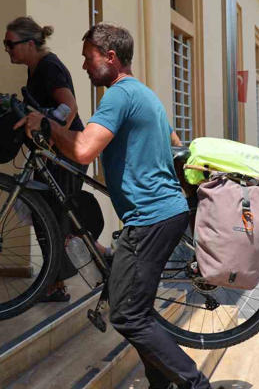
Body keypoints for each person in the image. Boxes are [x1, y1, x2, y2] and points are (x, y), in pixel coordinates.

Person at [15, 23, 211, 389]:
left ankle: (195, 384)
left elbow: (83, 149)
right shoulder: (146, 95)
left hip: (150, 218)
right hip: (163, 214)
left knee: (128, 315)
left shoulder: (119, 96)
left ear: (110, 57)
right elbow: (174, 142)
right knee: (139, 311)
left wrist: (46, 124)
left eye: (89, 57)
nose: (85, 66)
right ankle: (161, 383)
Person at [4, 16, 103, 302]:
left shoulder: (49, 66)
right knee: (49, 214)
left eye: (10, 44)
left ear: (30, 43)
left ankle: (60, 280)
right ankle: (57, 280)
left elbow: (68, 108)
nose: (8, 50)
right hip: (56, 151)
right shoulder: (36, 68)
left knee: (54, 216)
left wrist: (45, 123)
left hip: (68, 151)